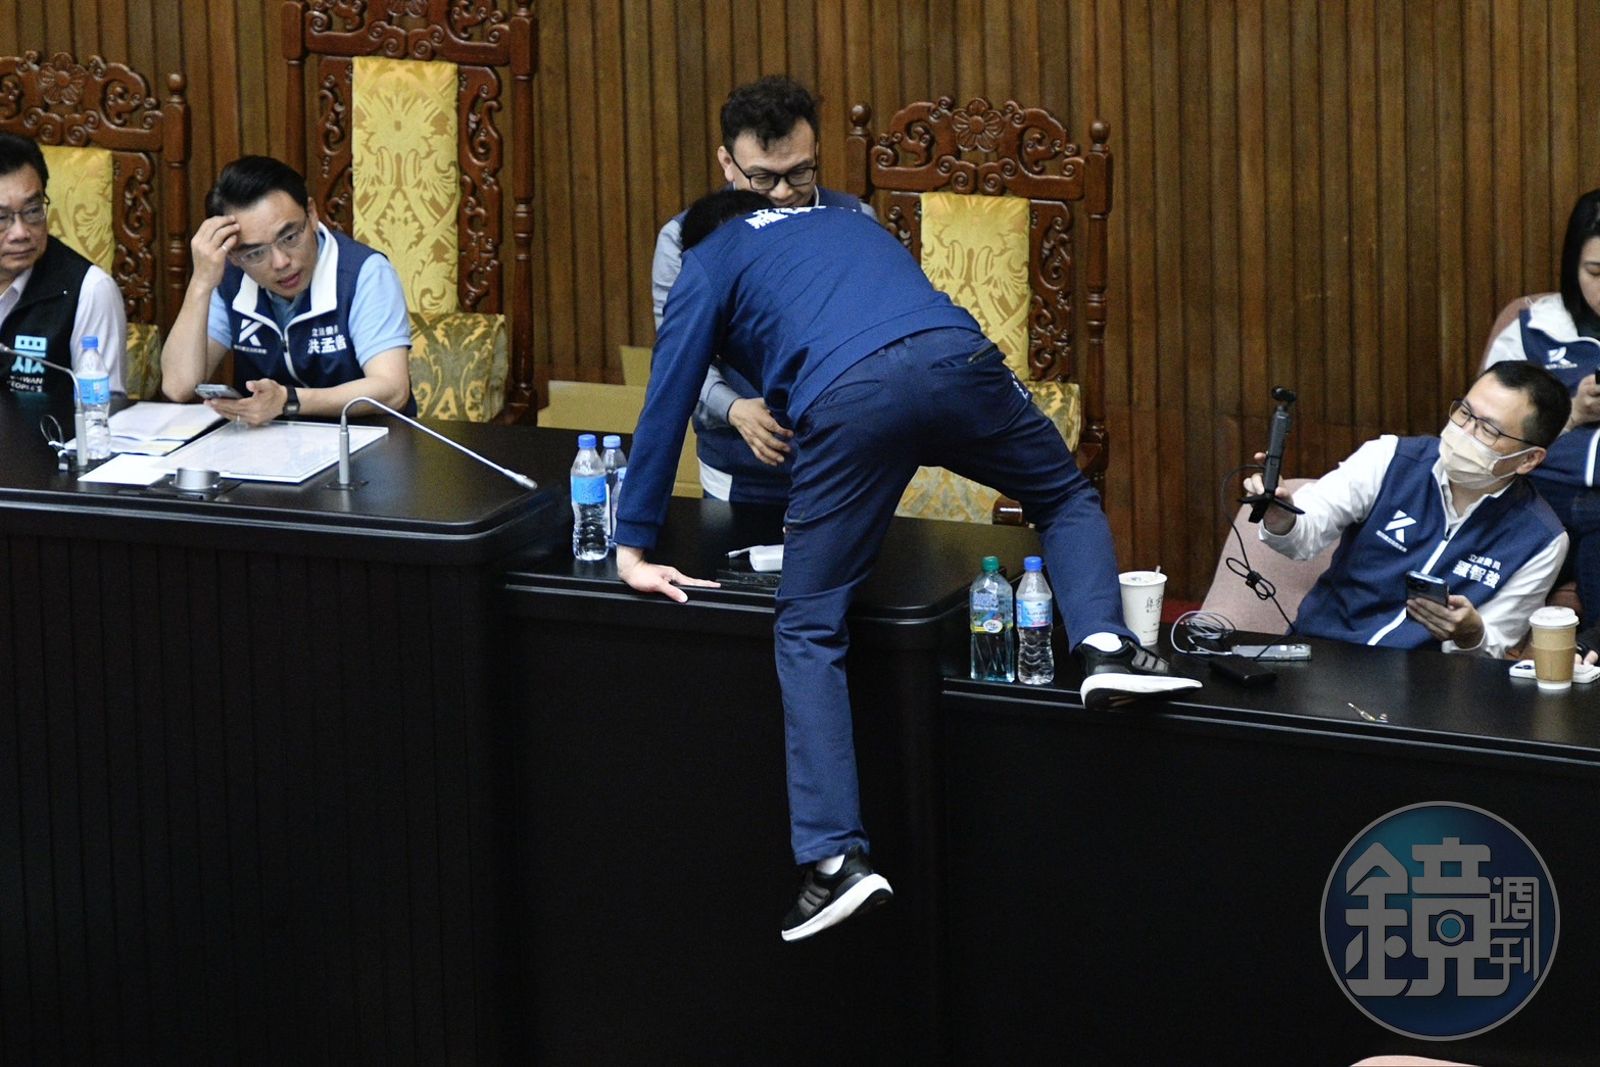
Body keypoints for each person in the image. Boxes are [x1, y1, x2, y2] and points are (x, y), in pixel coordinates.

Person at [616, 190, 1201, 942]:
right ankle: (1104, 646)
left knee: (808, 624)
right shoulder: (842, 219)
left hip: (850, 397)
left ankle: (835, 859)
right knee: (1062, 493)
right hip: (957, 357)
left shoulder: (707, 257)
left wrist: (633, 545)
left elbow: (669, 395)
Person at [1243, 362, 1571, 658]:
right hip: (1323, 654)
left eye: (1488, 430)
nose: (1464, 432)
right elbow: (1305, 533)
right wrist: (1282, 517)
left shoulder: (1542, 538)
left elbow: (1497, 642)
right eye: (1464, 413)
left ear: (1529, 459)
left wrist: (1471, 634)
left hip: (1425, 684)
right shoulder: (1389, 458)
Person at [651, 75, 872, 504]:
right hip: (738, 469)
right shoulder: (683, 239)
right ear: (727, 162)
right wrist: (732, 408)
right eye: (763, 178)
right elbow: (677, 360)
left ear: (816, 151)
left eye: (800, 172)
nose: (784, 193)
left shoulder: (856, 221)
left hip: (845, 466)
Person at [162, 155, 413, 425]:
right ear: (233, 255)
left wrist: (288, 400)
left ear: (312, 214)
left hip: (366, 439)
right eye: (255, 253)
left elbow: (392, 390)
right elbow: (178, 387)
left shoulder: (363, 272)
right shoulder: (229, 278)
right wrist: (201, 283)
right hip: (268, 444)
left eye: (290, 237)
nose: (281, 262)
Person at [1485, 188, 1600, 626]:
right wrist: (1573, 413)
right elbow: (1486, 429)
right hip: (1540, 493)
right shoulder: (1533, 327)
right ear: (1573, 266)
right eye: (1596, 272)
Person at [0, 132, 128, 414]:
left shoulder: (89, 290)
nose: (20, 232)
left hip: (48, 441)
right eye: (1, 218)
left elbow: (102, 414)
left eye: (33, 210)